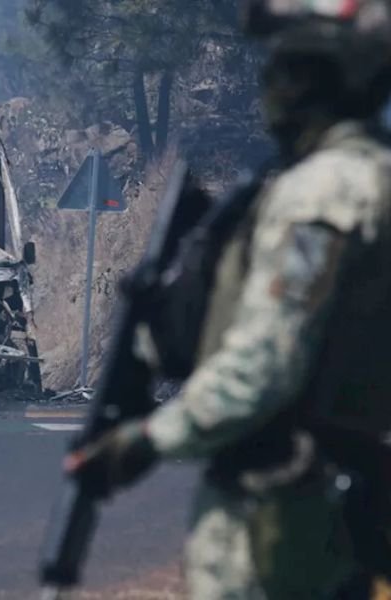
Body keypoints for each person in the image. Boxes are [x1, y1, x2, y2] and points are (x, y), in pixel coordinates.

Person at [66, 1, 391, 598]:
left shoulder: (323, 193)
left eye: (289, 66)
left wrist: (147, 440)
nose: (272, 83)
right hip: (335, 506)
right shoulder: (365, 177)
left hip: (283, 515)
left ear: (324, 77)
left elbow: (267, 362)